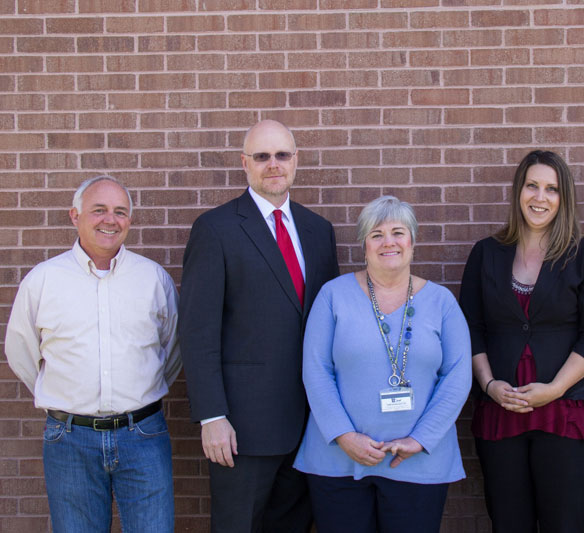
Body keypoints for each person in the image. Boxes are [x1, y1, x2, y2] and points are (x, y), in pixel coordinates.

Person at [179, 119, 339, 532]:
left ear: (296, 161)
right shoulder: (216, 229)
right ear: (245, 164)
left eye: (282, 155)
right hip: (242, 429)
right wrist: (212, 416)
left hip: (309, 423)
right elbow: (198, 333)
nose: (273, 164)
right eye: (262, 156)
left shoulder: (318, 231)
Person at [5, 175, 181, 532]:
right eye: (98, 210)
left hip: (143, 436)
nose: (110, 220)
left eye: (120, 212)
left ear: (129, 220)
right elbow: (20, 351)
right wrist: (63, 394)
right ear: (75, 215)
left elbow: (173, 349)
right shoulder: (43, 281)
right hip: (70, 439)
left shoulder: (152, 279)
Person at [293, 195, 472, 533]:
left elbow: (458, 376)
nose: (388, 242)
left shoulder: (442, 302)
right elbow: (315, 369)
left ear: (413, 241)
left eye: (398, 232)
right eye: (376, 234)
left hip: (418, 462)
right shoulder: (333, 295)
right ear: (364, 245)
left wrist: (420, 439)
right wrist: (344, 436)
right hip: (338, 461)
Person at [459, 150, 584, 532]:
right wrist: (489, 385)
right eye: (532, 186)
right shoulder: (486, 254)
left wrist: (555, 389)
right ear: (518, 191)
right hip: (501, 411)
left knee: (564, 523)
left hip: (567, 411)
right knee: (508, 523)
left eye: (551, 189)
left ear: (564, 198)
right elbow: (471, 328)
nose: (540, 198)